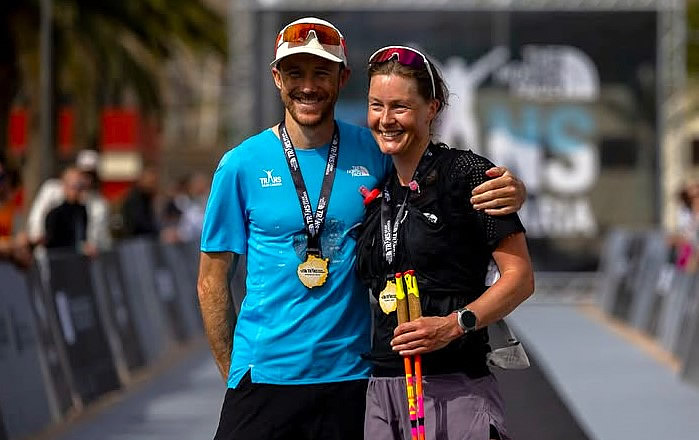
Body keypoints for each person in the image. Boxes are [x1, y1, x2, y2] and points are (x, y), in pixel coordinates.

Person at [197, 17, 526, 440]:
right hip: (263, 379)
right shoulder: (240, 164)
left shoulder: (375, 150)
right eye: (295, 73)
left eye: (321, 73)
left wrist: (514, 189)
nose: (308, 86)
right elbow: (211, 281)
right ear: (277, 78)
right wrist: (234, 372)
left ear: (342, 78)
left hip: (351, 380)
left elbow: (434, 172)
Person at [356, 46, 535, 440]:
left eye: (400, 107)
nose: (385, 119)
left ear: (431, 109)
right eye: (376, 105)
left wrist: (454, 325)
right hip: (383, 390)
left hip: (456, 388)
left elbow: (520, 278)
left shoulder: (467, 172)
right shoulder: (379, 186)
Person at [27, 149, 111, 251]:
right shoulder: (51, 191)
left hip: (77, 255)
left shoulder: (96, 204)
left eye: (91, 175)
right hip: (49, 252)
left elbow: (95, 235)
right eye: (83, 174)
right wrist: (37, 236)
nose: (86, 179)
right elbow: (37, 216)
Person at [44, 167, 92, 254]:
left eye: (81, 187)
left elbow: (83, 237)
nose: (78, 191)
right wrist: (80, 248)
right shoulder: (56, 215)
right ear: (65, 187)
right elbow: (54, 244)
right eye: (74, 187)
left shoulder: (82, 211)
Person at [120, 166, 160, 238]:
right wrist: (159, 232)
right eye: (151, 182)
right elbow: (139, 224)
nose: (153, 186)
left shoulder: (146, 198)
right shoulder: (134, 199)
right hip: (136, 239)